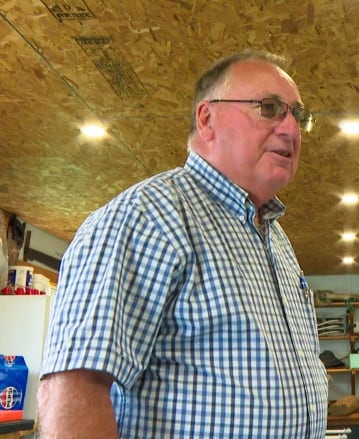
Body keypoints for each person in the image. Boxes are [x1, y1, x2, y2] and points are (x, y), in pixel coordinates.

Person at [38, 50, 328, 438]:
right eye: (270, 107)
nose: (292, 130)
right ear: (207, 119)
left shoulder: (275, 238)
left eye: (299, 115)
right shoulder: (148, 217)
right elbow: (74, 389)